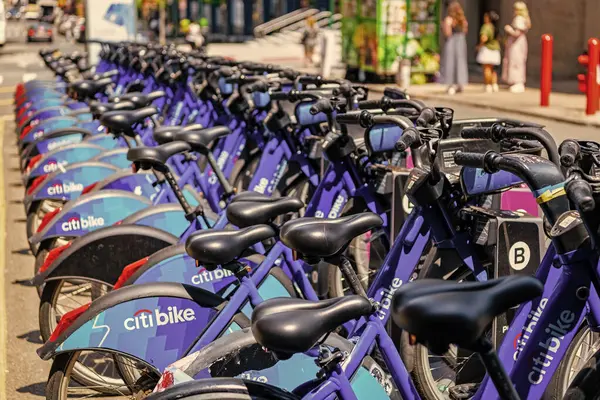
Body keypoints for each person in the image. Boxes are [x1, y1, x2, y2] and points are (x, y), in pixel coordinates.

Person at [441, 1, 469, 95]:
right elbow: (465, 31)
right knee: (461, 63)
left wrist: (445, 25)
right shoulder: (463, 20)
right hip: (461, 42)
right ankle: (460, 84)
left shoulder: (448, 19)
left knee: (450, 63)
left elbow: (447, 33)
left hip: (452, 42)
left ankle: (451, 85)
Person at [503, 1, 531, 93]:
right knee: (518, 61)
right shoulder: (524, 19)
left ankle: (517, 82)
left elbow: (517, 33)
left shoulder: (519, 19)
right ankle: (517, 82)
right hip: (520, 42)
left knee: (515, 61)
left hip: (516, 43)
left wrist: (509, 29)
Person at [477, 11, 501, 93]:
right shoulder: (495, 27)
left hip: (487, 49)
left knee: (487, 68)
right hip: (496, 49)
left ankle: (488, 85)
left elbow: (484, 38)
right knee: (493, 70)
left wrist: (479, 45)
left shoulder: (486, 27)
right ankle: (494, 84)